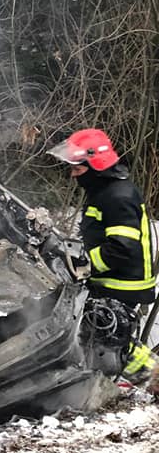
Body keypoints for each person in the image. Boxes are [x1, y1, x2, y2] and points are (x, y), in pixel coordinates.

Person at [48, 128, 156, 373]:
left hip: (123, 287)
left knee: (113, 343)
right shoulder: (104, 192)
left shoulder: (118, 196)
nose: (73, 175)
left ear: (96, 165)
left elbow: (122, 247)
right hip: (111, 282)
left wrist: (84, 266)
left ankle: (150, 378)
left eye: (77, 169)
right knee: (105, 340)